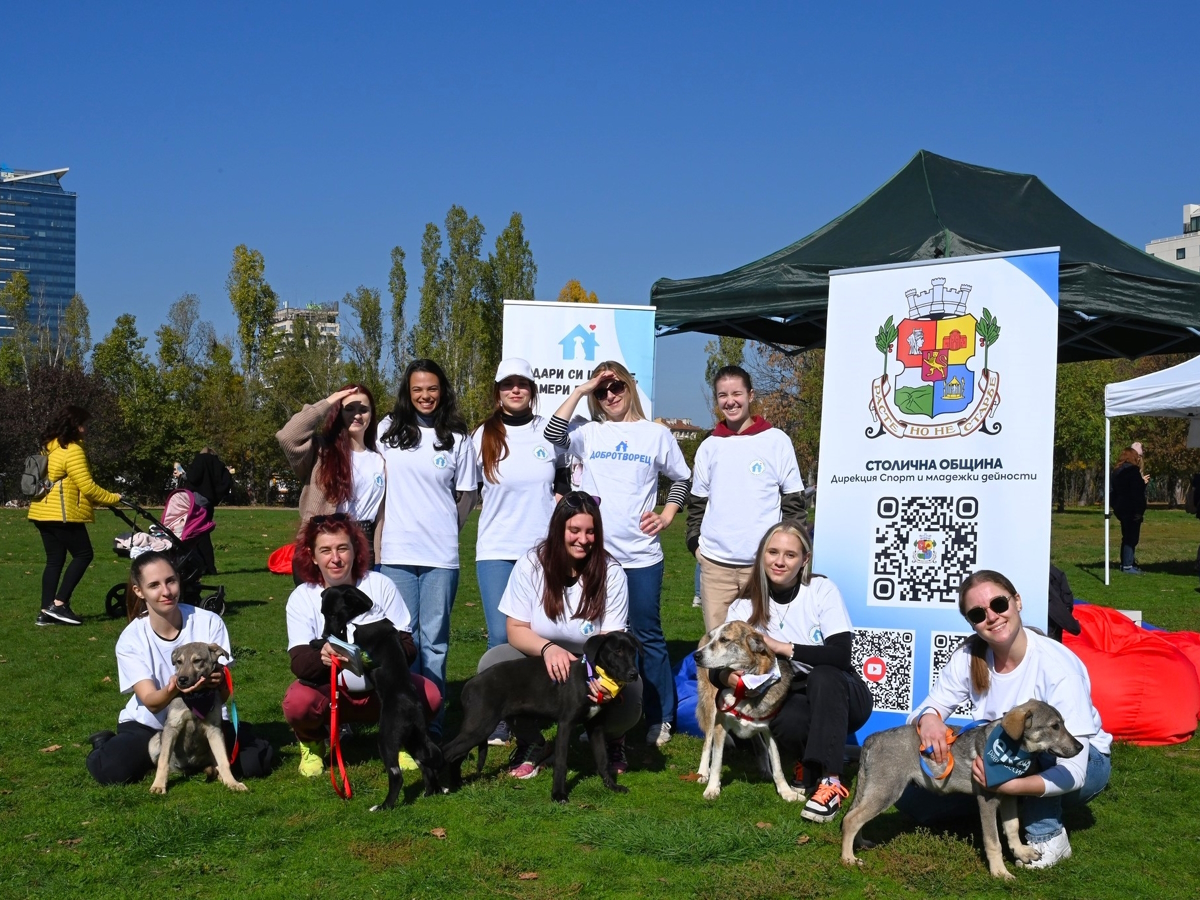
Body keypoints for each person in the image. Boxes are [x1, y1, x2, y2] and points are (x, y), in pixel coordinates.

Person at [903, 569, 1112, 869]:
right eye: (978, 614)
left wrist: (1009, 786)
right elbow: (927, 708)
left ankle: (1046, 834)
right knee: (913, 800)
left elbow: (1075, 771)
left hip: (1080, 760)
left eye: (999, 604)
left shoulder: (1057, 666)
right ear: (971, 623)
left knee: (1037, 747)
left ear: (1017, 601)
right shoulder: (968, 656)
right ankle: (995, 808)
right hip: (1001, 762)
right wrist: (929, 719)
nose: (992, 617)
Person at [545, 361, 690, 746]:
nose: (610, 396)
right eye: (602, 391)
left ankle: (660, 718)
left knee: (647, 636)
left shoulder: (656, 434)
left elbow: (682, 478)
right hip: (597, 557)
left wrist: (667, 514)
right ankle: (598, 715)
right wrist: (581, 390)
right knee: (597, 639)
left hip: (641, 556)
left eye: (616, 387)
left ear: (629, 387)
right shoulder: (589, 432)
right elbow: (552, 432)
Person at [477, 491, 640, 778]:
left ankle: (612, 739)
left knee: (632, 696)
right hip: (542, 659)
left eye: (590, 532)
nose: (583, 539)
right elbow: (515, 629)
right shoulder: (531, 564)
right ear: (558, 529)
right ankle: (532, 741)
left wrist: (601, 680)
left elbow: (613, 641)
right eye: (574, 530)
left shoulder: (611, 572)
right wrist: (548, 648)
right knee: (493, 663)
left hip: (593, 663)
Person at [723, 521, 873, 823]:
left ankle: (830, 782)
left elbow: (841, 655)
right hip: (790, 693)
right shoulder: (742, 607)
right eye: (773, 552)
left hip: (843, 693)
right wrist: (729, 678)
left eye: (790, 555)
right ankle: (808, 762)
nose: (779, 561)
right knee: (785, 717)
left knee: (823, 675)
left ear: (805, 560)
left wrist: (783, 647)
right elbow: (719, 663)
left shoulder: (821, 589)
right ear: (762, 555)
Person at [85, 551, 273, 785]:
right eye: (154, 585)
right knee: (112, 769)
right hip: (150, 724)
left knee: (256, 762)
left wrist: (219, 682)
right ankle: (105, 744)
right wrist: (176, 687)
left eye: (171, 581)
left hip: (207, 718)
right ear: (139, 591)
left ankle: (231, 739)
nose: (166, 591)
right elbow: (152, 702)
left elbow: (224, 696)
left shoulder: (209, 622)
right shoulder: (131, 638)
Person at [282, 514, 441, 776]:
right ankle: (312, 742)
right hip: (331, 690)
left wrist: (371, 655)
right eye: (326, 550)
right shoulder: (302, 597)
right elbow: (299, 662)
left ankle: (404, 738)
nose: (335, 558)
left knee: (430, 696)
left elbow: (408, 647)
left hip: (381, 687)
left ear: (355, 550)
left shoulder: (379, 584)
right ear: (313, 556)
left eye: (342, 548)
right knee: (298, 703)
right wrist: (322, 657)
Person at [472, 357, 570, 745]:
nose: (516, 389)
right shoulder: (482, 435)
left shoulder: (549, 432)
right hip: (496, 548)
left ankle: (535, 708)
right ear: (497, 392)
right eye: (508, 384)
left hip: (542, 552)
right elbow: (464, 490)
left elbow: (563, 478)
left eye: (523, 383)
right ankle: (497, 715)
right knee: (501, 635)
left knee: (539, 632)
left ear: (532, 390)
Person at [377, 359, 477, 737]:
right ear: (407, 392)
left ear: (442, 391)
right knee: (403, 641)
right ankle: (405, 722)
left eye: (432, 388)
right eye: (417, 389)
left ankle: (432, 723)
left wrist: (449, 527)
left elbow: (467, 493)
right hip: (396, 553)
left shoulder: (457, 437)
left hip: (440, 557)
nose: (425, 396)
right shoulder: (386, 431)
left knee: (434, 643)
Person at [687, 365, 806, 632]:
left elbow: (794, 503)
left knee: (764, 644)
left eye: (736, 393)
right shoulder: (709, 446)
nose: (730, 401)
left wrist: (787, 551)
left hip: (762, 567)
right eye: (722, 395)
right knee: (718, 646)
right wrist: (695, 545)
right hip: (716, 567)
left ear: (750, 395)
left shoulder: (776, 441)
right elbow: (697, 504)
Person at [278, 384, 385, 583]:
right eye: (349, 409)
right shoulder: (322, 452)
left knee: (361, 603)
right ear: (338, 412)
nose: (357, 415)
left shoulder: (380, 459)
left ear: (371, 414)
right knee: (321, 602)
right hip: (324, 540)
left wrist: (378, 556)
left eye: (363, 409)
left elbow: (381, 515)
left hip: (365, 544)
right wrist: (328, 402)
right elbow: (288, 437)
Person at [28, 404, 121, 626]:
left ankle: (46, 612)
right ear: (76, 426)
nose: (87, 429)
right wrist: (114, 498)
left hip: (41, 512)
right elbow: (87, 487)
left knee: (54, 561)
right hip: (62, 514)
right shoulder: (72, 450)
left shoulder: (49, 447)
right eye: (85, 425)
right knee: (84, 554)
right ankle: (59, 604)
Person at [182, 445, 233, 575]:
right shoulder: (218, 465)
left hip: (197, 500)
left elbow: (193, 477)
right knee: (203, 532)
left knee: (196, 534)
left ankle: (205, 566)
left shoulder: (200, 460)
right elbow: (226, 481)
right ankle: (206, 566)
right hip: (209, 501)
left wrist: (183, 475)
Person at [1110, 445, 1148, 575]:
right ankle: (1127, 565)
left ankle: (1127, 562)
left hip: (1121, 506)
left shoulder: (1116, 471)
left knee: (1126, 535)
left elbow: (1114, 490)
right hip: (1132, 507)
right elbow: (1136, 491)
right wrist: (1139, 509)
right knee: (1131, 537)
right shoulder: (1133, 471)